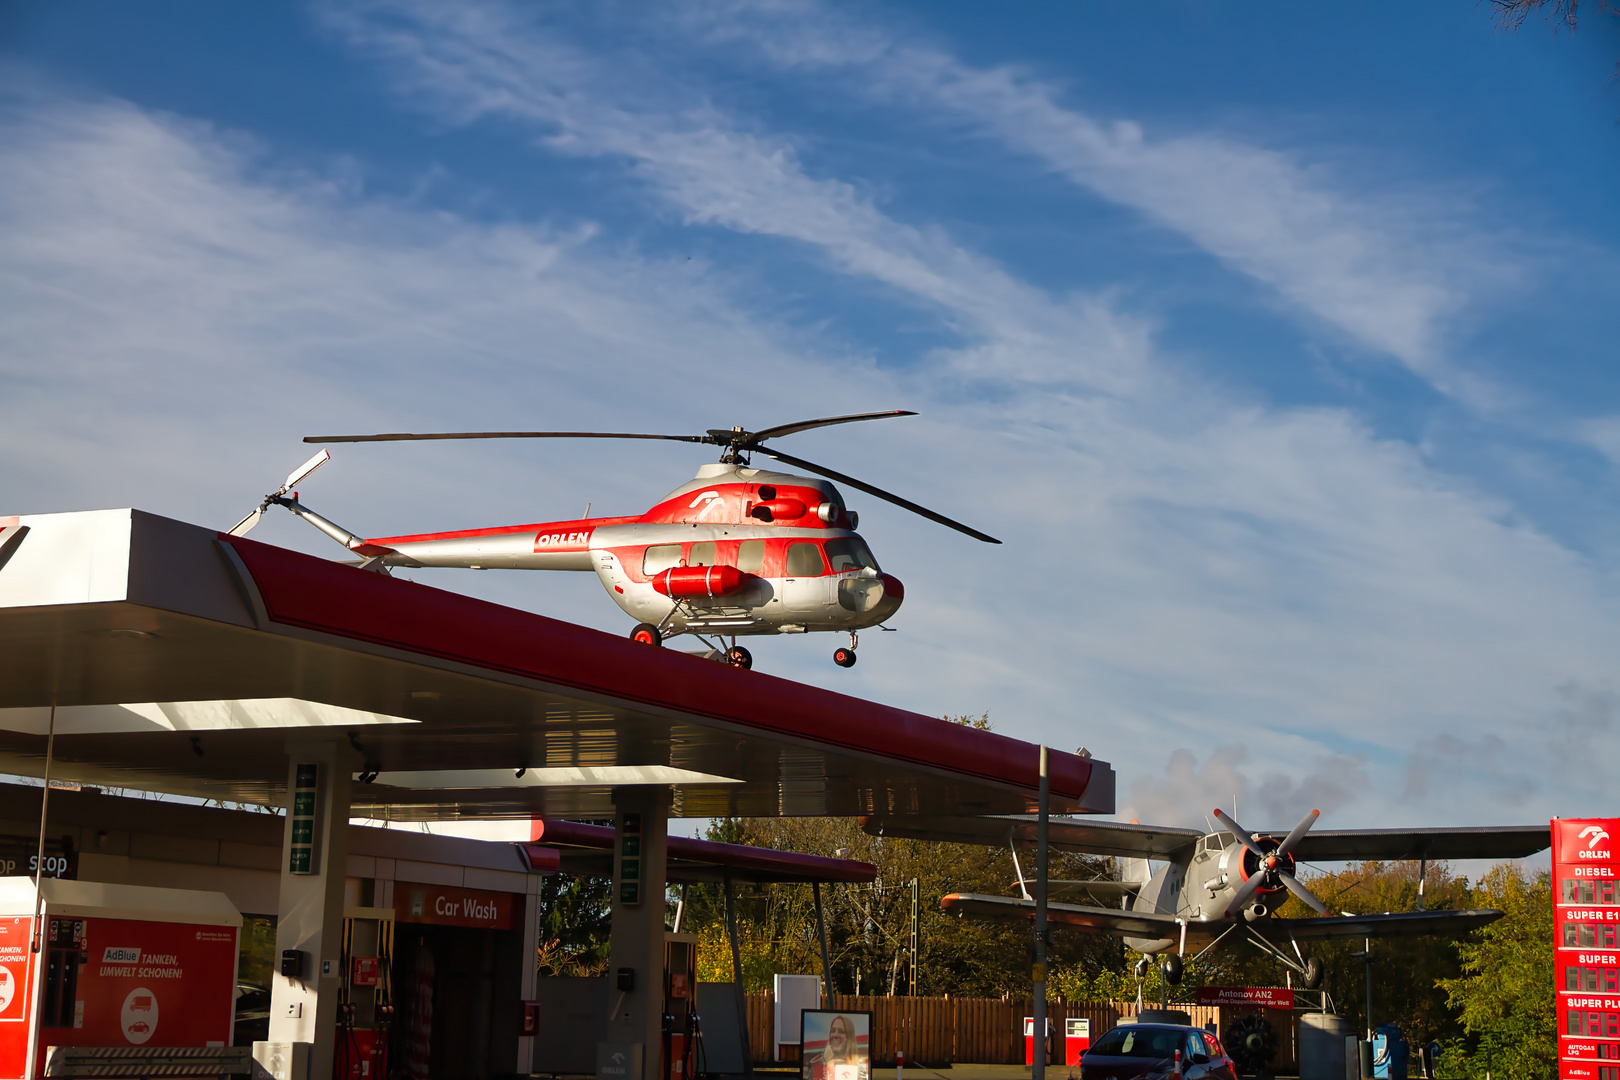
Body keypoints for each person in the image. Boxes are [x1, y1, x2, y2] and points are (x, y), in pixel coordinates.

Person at [806, 1014, 867, 1080]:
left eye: (841, 1031)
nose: (835, 1035)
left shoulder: (859, 1071)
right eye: (833, 1031)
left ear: (849, 1037)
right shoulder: (817, 1067)